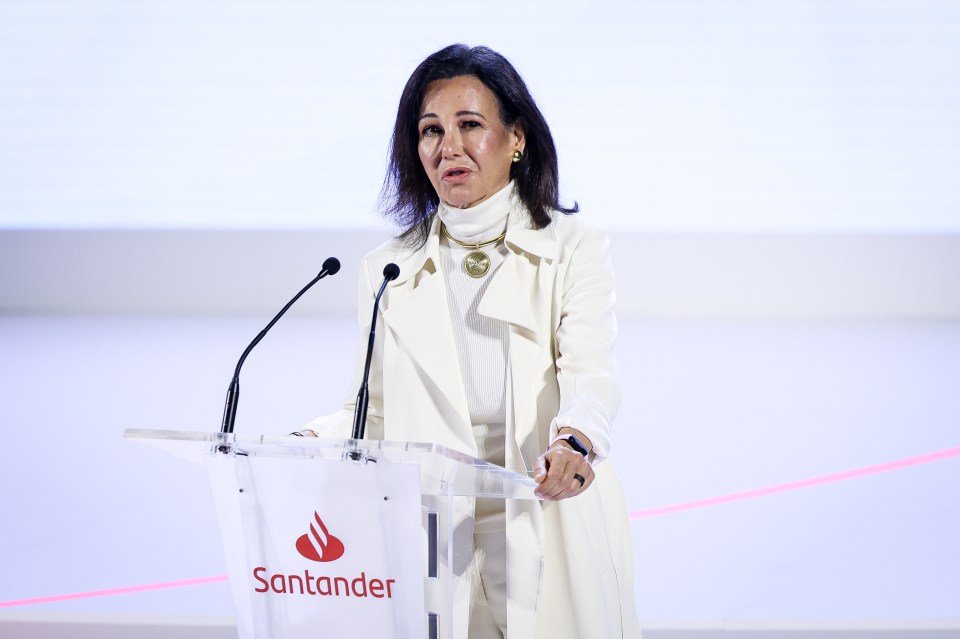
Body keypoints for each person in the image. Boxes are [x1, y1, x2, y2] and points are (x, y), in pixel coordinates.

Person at [299, 44, 642, 639]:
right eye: (430, 130)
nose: (447, 146)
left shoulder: (573, 244)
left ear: (517, 138)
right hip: (438, 529)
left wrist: (575, 444)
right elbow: (373, 411)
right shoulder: (387, 270)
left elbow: (590, 372)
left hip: (545, 506)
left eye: (469, 125)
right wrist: (303, 443)